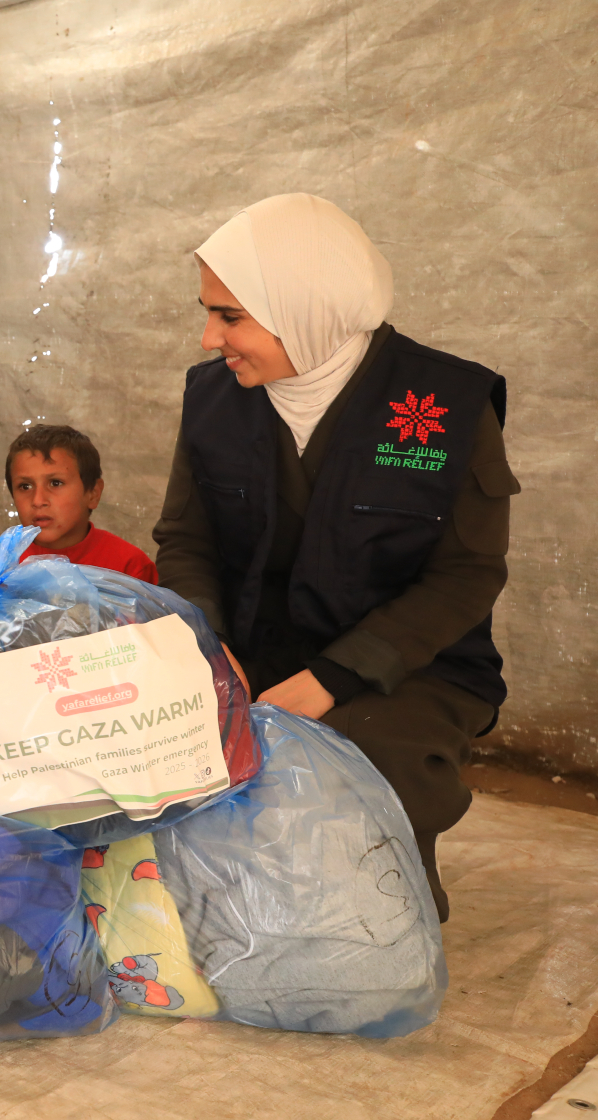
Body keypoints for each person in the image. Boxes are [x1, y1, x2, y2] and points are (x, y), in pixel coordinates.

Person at [153, 193, 519, 920]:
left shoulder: (444, 405)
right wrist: (209, 651)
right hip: (251, 654)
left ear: (301, 307)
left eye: (229, 316)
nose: (208, 338)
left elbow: (466, 574)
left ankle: (384, 919)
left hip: (410, 668)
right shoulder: (213, 398)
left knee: (358, 765)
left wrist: (334, 677)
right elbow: (187, 541)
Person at [6, 424, 158, 583]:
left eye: (55, 483)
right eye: (25, 486)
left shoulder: (130, 567)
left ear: (93, 493)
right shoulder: (6, 565)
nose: (38, 501)